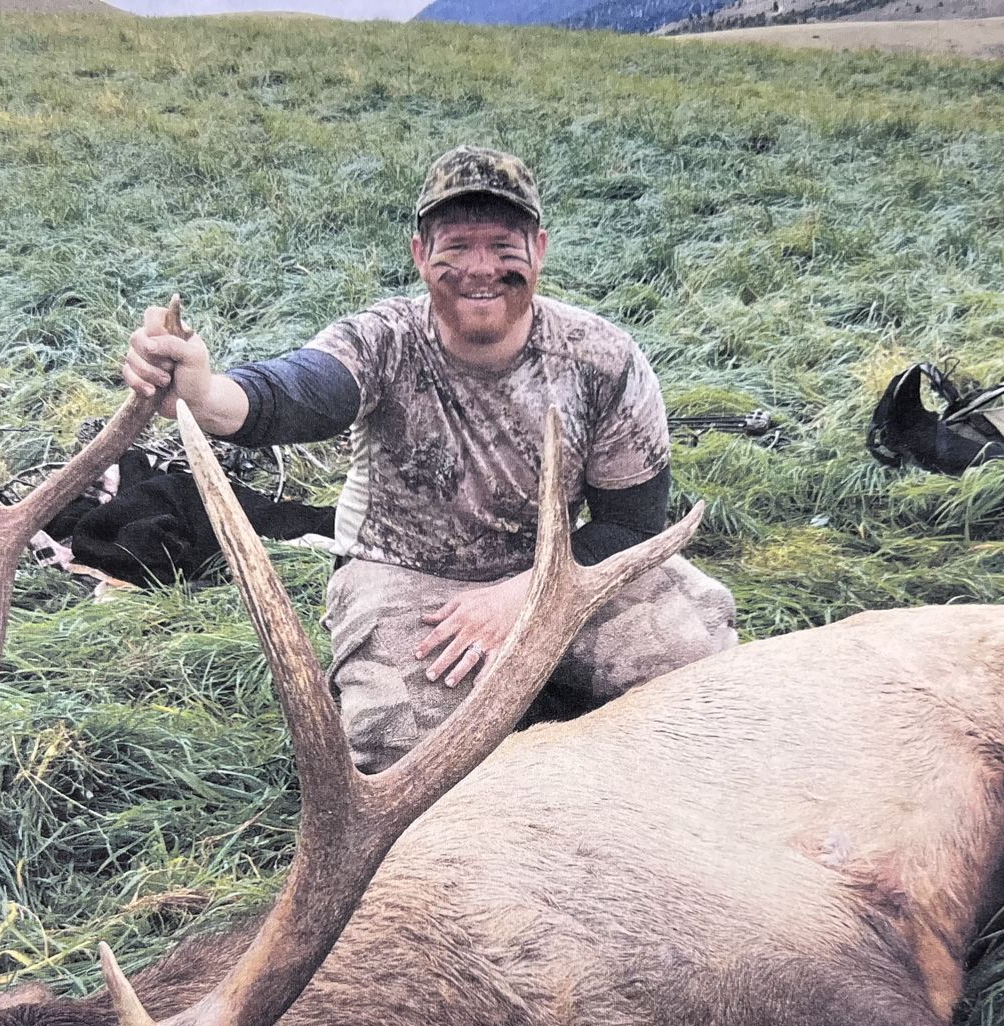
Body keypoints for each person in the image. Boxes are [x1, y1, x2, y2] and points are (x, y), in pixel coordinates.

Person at [122, 145, 737, 773]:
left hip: (552, 571)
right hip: (408, 575)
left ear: (540, 250)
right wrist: (203, 393)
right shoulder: (383, 341)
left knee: (700, 671)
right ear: (421, 255)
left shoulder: (603, 361)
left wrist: (522, 599)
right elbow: (298, 393)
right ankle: (533, 704)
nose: (480, 269)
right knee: (399, 757)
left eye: (503, 246)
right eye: (456, 246)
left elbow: (634, 528)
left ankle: (545, 700)